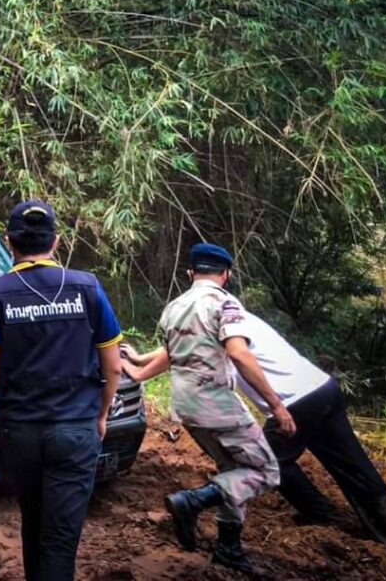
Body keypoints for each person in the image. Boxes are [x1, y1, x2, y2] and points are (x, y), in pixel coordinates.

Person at [122, 312, 386, 560]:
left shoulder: (215, 321)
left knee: (266, 463)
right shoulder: (235, 315)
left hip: (293, 402)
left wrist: (139, 373)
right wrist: (140, 359)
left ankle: (319, 514)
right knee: (352, 463)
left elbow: (186, 350)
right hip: (322, 388)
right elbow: (176, 349)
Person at [0, 200, 123, 581]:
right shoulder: (87, 287)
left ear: (8, 242)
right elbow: (114, 365)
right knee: (59, 541)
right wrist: (102, 413)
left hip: (20, 432)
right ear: (56, 241)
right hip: (76, 428)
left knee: (33, 523)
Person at [120, 242, 293, 573]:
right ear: (226, 274)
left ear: (190, 272)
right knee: (265, 471)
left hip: (185, 405)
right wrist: (276, 405)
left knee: (233, 471)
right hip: (217, 404)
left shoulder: (174, 307)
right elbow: (239, 352)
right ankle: (193, 501)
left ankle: (229, 550)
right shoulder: (224, 303)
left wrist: (139, 365)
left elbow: (173, 354)